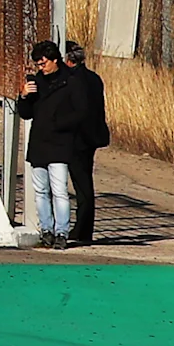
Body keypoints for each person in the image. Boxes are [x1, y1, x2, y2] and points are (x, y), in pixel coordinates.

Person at [20, 42, 101, 248]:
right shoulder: (37, 82)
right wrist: (23, 96)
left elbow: (81, 111)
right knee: (41, 191)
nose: (41, 67)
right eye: (38, 64)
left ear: (55, 60)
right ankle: (46, 229)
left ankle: (61, 232)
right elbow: (26, 113)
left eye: (43, 63)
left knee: (59, 190)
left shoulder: (71, 82)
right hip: (39, 142)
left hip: (60, 143)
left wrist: (59, 124)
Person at [56, 42, 112, 245]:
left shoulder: (71, 80)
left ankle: (81, 228)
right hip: (92, 137)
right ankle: (83, 228)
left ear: (67, 60)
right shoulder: (94, 78)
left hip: (77, 137)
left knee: (80, 184)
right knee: (84, 181)